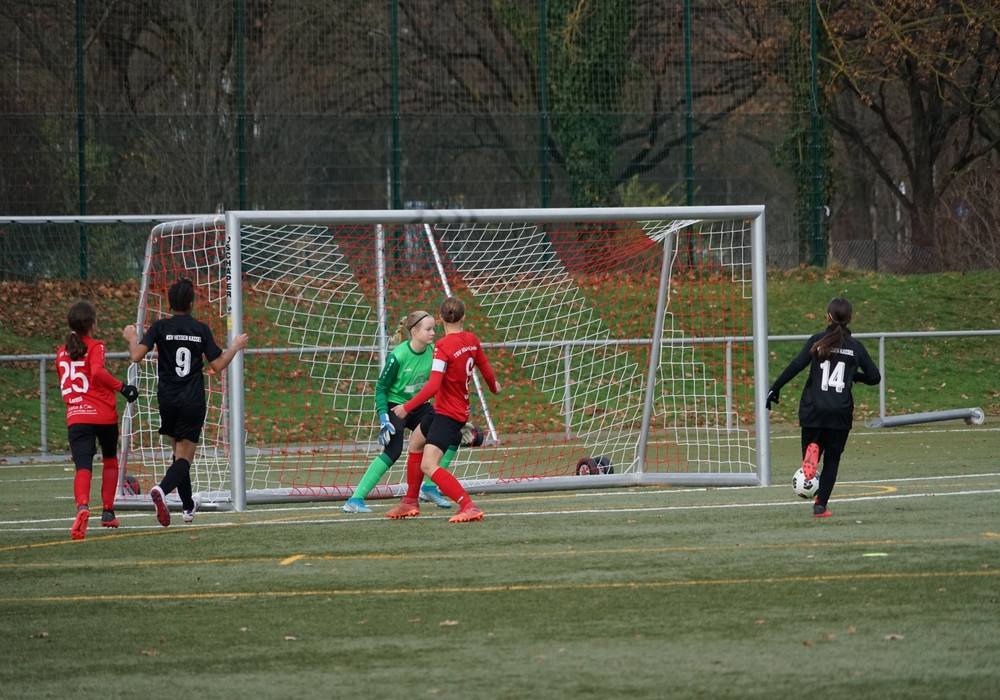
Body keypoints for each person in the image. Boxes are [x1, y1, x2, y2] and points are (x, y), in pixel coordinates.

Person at [122, 279, 249, 527]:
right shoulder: (200, 329)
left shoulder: (160, 326)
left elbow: (136, 356)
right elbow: (217, 365)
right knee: (184, 459)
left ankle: (188, 507)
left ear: (170, 303)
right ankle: (161, 489)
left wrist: (132, 337)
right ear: (192, 303)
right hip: (191, 400)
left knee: (179, 455)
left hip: (167, 400)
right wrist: (235, 347)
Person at [386, 296, 500, 523]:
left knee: (429, 465)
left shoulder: (442, 346)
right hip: (446, 410)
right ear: (463, 317)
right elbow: (486, 368)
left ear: (440, 318)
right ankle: (410, 501)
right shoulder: (471, 340)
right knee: (416, 442)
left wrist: (406, 407)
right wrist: (493, 387)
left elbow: (434, 385)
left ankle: (468, 505)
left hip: (448, 414)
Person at [766, 296, 880, 518]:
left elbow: (797, 365)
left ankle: (812, 450)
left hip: (813, 408)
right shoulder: (855, 347)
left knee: (812, 447)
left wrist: (775, 388)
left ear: (827, 317)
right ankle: (820, 506)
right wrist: (853, 375)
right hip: (840, 411)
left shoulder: (817, 341)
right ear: (850, 319)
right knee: (833, 459)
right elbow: (875, 377)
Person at [344, 311, 460, 513]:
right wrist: (383, 418)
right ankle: (355, 499)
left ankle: (429, 488)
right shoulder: (397, 357)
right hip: (394, 407)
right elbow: (381, 389)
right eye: (428, 329)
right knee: (393, 450)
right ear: (414, 331)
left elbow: (440, 385)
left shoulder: (435, 352)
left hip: (418, 406)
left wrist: (450, 414)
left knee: (453, 436)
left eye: (433, 328)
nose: (433, 333)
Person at [57, 301, 138, 540]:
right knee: (110, 459)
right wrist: (123, 387)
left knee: (83, 466)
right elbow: (97, 372)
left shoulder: (61, 352)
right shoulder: (96, 346)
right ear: (93, 325)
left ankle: (83, 507)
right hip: (102, 414)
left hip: (76, 415)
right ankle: (108, 512)